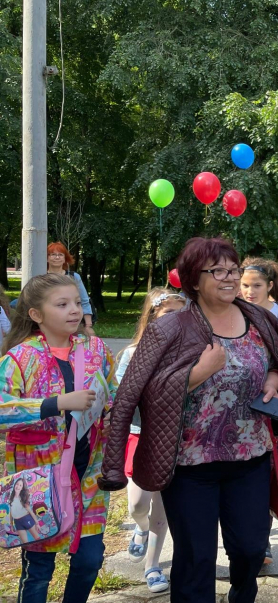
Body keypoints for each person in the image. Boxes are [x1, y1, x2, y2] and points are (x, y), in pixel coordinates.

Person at [98, 237, 278, 603]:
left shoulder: (260, 319)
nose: (230, 277)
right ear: (193, 279)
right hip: (189, 466)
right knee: (196, 559)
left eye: (233, 269)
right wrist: (197, 374)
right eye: (218, 270)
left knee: (251, 551)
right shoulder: (169, 328)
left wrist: (275, 378)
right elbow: (134, 395)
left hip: (251, 458)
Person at [0, 273, 117, 603]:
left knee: (90, 561)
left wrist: (109, 411)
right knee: (38, 569)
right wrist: (55, 404)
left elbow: (113, 394)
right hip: (36, 482)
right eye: (62, 304)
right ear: (36, 314)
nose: (74, 311)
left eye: (77, 303)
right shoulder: (20, 358)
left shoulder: (95, 349)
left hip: (88, 475)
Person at [118, 288, 187, 593]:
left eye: (181, 313)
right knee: (137, 504)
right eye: (168, 313)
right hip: (140, 436)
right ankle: (141, 528)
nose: (176, 319)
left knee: (162, 505)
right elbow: (120, 397)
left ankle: (153, 565)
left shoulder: (194, 352)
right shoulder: (133, 353)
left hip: (176, 440)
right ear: (153, 316)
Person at [46, 242, 94, 337]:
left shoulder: (74, 277)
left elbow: (84, 300)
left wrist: (88, 326)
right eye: (53, 254)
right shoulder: (41, 277)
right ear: (47, 258)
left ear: (65, 259)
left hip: (71, 321)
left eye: (60, 255)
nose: (57, 257)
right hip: (48, 322)